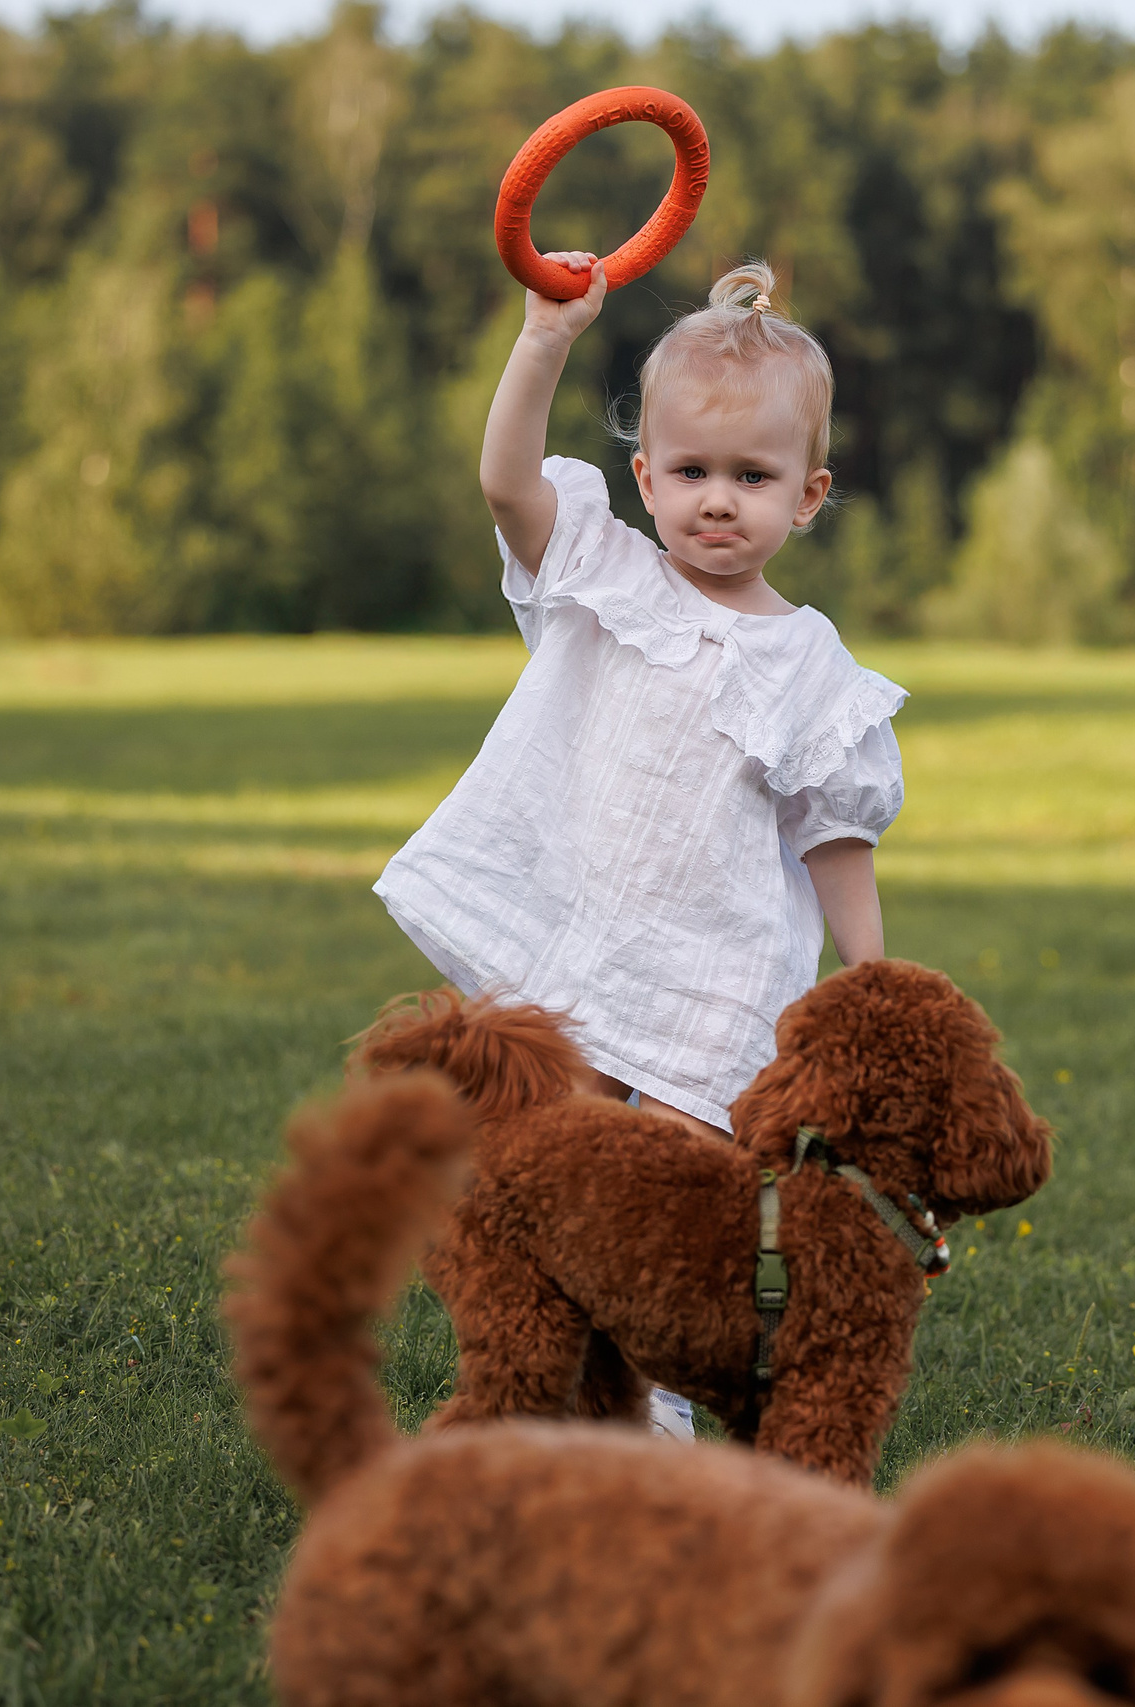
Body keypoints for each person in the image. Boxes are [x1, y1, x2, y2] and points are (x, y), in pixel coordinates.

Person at [372, 253, 905, 1437]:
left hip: (712, 978)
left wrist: (867, 979)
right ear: (645, 476)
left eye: (752, 477)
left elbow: (837, 830)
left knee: (663, 1220)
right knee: (552, 1186)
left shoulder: (811, 664)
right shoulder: (604, 573)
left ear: (808, 496)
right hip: (579, 943)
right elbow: (506, 484)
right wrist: (542, 342)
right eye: (693, 471)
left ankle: (646, 1431)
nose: (719, 500)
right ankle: (539, 1402)